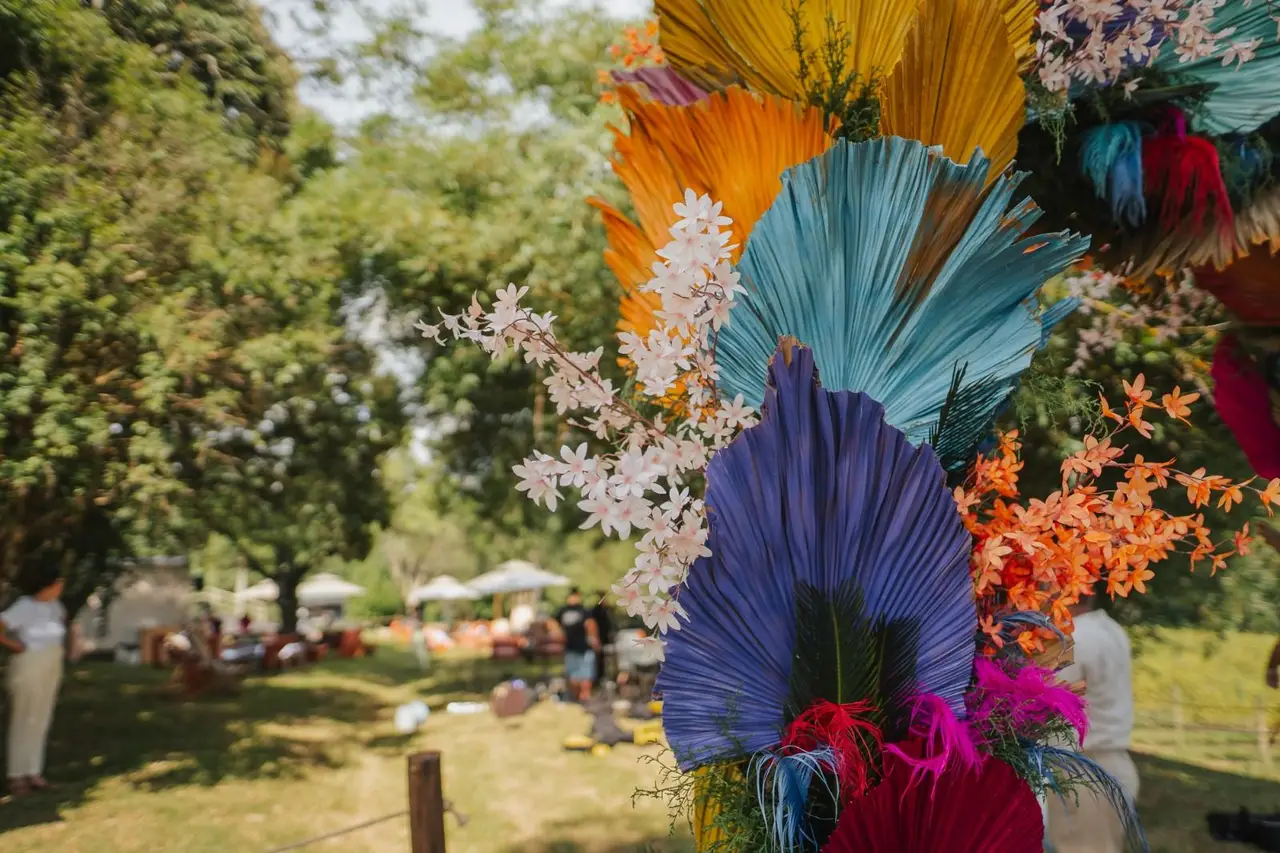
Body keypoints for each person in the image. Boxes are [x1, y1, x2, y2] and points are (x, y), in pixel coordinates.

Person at [1046, 595, 1138, 853]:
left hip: (1083, 772)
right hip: (1113, 766)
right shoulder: (1109, 629)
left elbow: (1044, 702)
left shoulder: (1073, 638)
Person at [0, 563, 67, 796]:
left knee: (42, 715)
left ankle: (34, 771)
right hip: (30, 662)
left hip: (52, 661)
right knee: (24, 716)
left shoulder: (55, 607)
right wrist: (13, 644)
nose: (61, 587)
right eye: (58, 582)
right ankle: (16, 775)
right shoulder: (24, 607)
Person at [555, 588, 599, 702]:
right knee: (573, 674)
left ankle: (585, 696)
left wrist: (594, 639)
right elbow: (553, 622)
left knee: (586, 674)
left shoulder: (583, 610)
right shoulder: (563, 610)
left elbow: (591, 625)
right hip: (570, 647)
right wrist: (559, 634)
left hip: (584, 647)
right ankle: (576, 696)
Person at [590, 590, 615, 687]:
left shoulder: (609, 609)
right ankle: (599, 679)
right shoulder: (596, 610)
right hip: (600, 638)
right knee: (599, 660)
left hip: (608, 638)